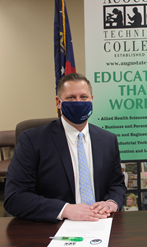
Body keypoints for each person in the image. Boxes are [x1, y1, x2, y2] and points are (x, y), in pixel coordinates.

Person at [4, 73, 126, 222]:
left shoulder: (108, 140)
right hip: (54, 226)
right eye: (71, 98)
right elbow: (15, 197)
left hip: (101, 223)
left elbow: (117, 185)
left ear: (91, 99)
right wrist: (65, 210)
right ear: (58, 102)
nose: (78, 102)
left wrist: (111, 202)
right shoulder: (32, 140)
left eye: (83, 97)